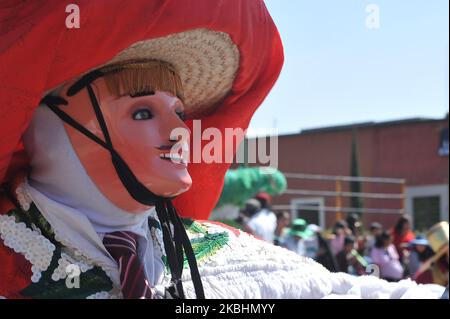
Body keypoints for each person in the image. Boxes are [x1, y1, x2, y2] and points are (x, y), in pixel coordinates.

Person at [0, 1, 445, 299]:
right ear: (45, 130)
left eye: (178, 111)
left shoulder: (229, 255)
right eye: (141, 112)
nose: (180, 132)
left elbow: (349, 292)